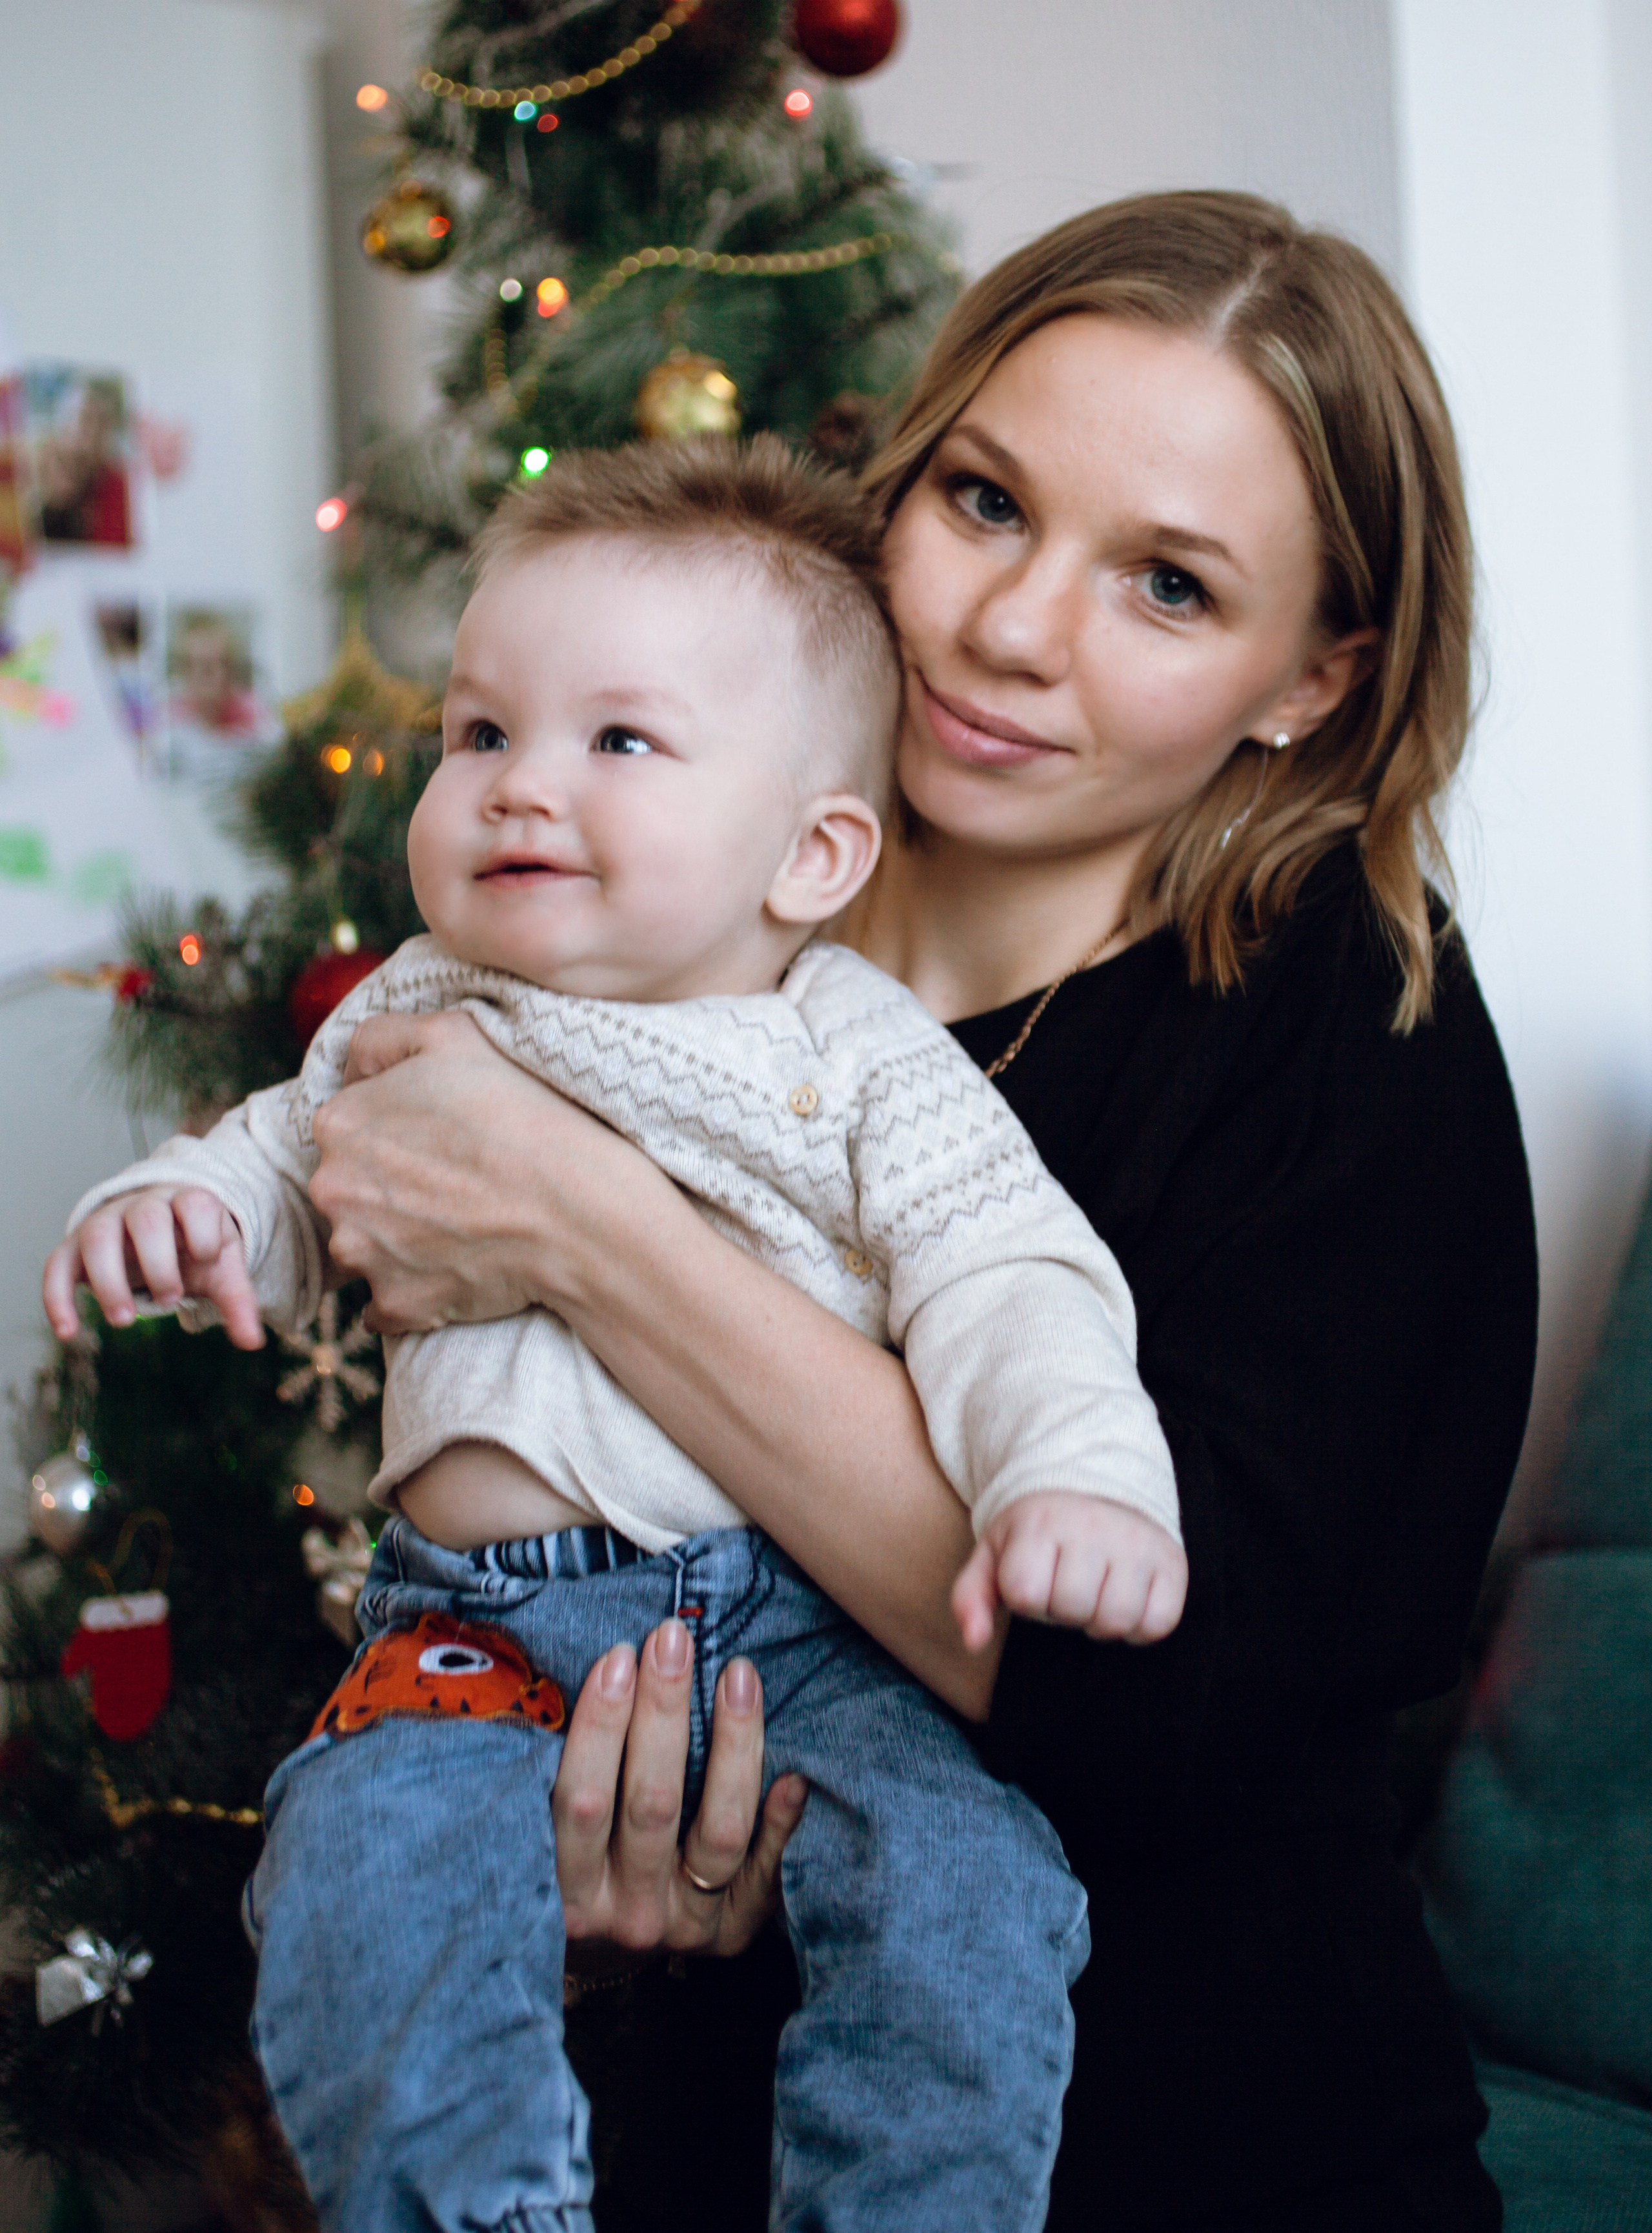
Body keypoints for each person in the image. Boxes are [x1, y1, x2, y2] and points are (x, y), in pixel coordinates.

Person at [265, 192, 1540, 2231]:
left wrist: (594, 1224)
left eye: (1172, 588)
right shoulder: (648, 878)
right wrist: (552, 1822)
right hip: (683, 2129)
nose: (1012, 630)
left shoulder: (1348, 1025)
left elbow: (1151, 1705)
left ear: (1317, 677)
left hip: (1199, 2137)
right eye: (984, 499)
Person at [46, 438, 1186, 2233]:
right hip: (466, 1630)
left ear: (813, 850)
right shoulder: (425, 1001)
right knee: (366, 1865)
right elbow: (283, 1145)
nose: (516, 789)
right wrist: (187, 1205)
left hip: (807, 1641)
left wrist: (1076, 1479)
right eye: (480, 734)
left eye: (617, 742)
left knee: (974, 1879)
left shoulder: (855, 1050)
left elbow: (1010, 1277)